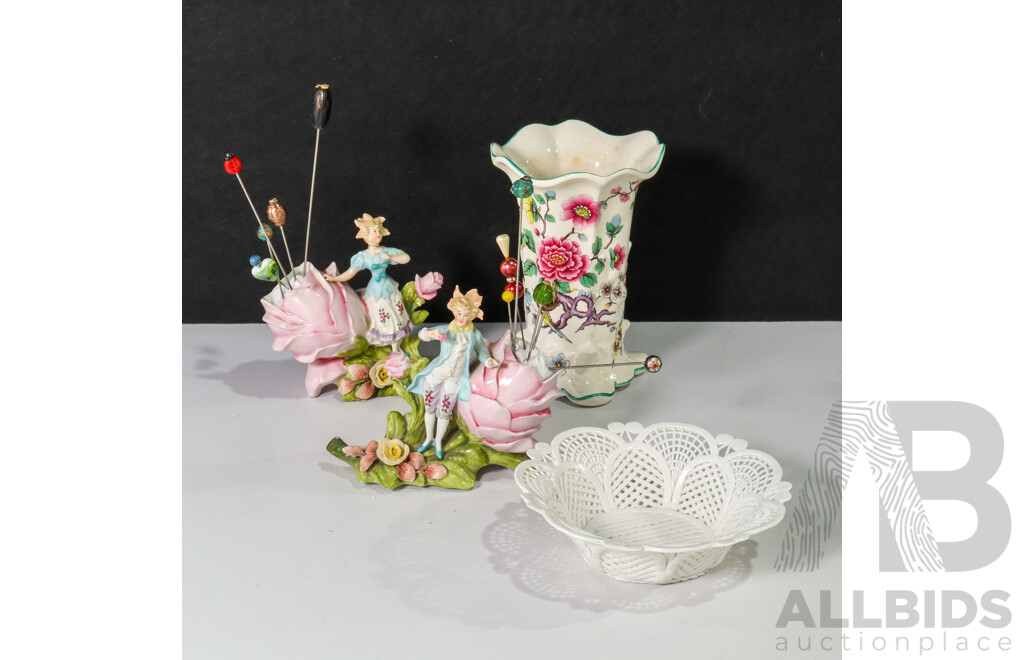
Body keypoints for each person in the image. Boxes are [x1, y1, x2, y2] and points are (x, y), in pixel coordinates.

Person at [409, 287, 499, 458]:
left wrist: (488, 361)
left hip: (456, 379)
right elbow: (422, 334)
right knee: (429, 408)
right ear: (453, 311)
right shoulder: (447, 329)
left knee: (444, 412)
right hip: (437, 373)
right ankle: (428, 438)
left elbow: (482, 351)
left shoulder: (474, 335)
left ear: (472, 315)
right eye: (459, 313)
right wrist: (428, 333)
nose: (461, 318)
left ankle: (439, 441)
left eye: (466, 315)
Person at [326, 214, 412, 352]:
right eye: (374, 232)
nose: (377, 235)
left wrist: (390, 257)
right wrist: (335, 279)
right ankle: (383, 344)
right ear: (365, 235)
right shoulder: (363, 257)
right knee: (380, 313)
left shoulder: (386, 251)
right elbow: (350, 273)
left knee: (395, 312)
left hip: (388, 287)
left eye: (379, 232)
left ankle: (396, 347)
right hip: (375, 290)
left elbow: (406, 258)